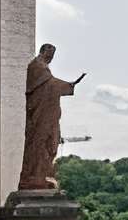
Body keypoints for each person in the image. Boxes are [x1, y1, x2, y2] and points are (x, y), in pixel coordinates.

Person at [18, 42, 86, 191]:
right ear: (43, 51)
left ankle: (42, 175)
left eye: (53, 55)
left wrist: (68, 85)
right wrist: (68, 85)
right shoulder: (36, 66)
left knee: (51, 143)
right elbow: (48, 85)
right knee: (39, 143)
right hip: (39, 114)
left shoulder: (43, 67)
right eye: (50, 54)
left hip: (48, 113)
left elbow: (50, 84)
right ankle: (34, 178)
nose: (51, 58)